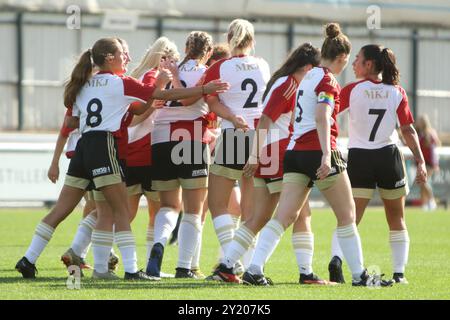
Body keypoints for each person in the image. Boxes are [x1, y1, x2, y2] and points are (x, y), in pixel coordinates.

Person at [15, 37, 229, 280]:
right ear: (109, 58)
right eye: (121, 54)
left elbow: (83, 119)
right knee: (119, 211)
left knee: (65, 210)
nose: (126, 58)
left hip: (84, 147)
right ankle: (131, 270)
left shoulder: (85, 84)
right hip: (104, 147)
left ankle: (29, 259)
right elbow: (161, 94)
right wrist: (202, 89)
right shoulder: (121, 83)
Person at [240, 23, 390, 287]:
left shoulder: (307, 75)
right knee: (347, 215)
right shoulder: (327, 79)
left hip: (294, 152)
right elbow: (322, 116)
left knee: (283, 217)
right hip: (318, 151)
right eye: (348, 60)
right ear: (342, 58)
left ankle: (253, 268)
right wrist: (325, 156)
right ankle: (359, 276)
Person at [208, 43, 323, 284]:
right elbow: (266, 119)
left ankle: (227, 267)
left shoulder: (282, 81)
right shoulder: (290, 85)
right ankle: (300, 272)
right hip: (278, 151)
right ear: (309, 67)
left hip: (267, 150)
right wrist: (255, 155)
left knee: (259, 217)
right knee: (300, 213)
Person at [328, 44, 427, 285]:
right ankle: (399, 274)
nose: (353, 64)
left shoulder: (352, 90)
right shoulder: (397, 92)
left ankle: (337, 260)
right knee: (396, 218)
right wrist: (420, 160)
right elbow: (407, 130)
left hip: (360, 157)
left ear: (369, 65)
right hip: (388, 156)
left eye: (358, 60)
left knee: (349, 217)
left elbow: (327, 112)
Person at [146, 31, 216, 279]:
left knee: (168, 206)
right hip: (191, 136)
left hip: (161, 137)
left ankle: (159, 244)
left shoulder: (166, 68)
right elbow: (189, 102)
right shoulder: (205, 72)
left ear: (187, 47)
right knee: (194, 209)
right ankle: (184, 267)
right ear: (208, 52)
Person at [202, 19, 271, 273]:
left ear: (229, 38)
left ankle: (232, 260)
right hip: (261, 137)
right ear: (251, 40)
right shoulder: (263, 65)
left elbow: (211, 102)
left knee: (217, 203)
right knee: (251, 209)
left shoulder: (220, 67)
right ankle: (246, 262)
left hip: (234, 134)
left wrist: (230, 116)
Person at [415, 114, 440, 211]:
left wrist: (435, 164)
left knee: (423, 182)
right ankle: (425, 204)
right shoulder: (417, 132)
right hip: (420, 162)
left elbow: (435, 146)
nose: (418, 123)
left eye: (420, 121)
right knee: (421, 183)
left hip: (429, 163)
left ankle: (432, 201)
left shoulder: (430, 132)